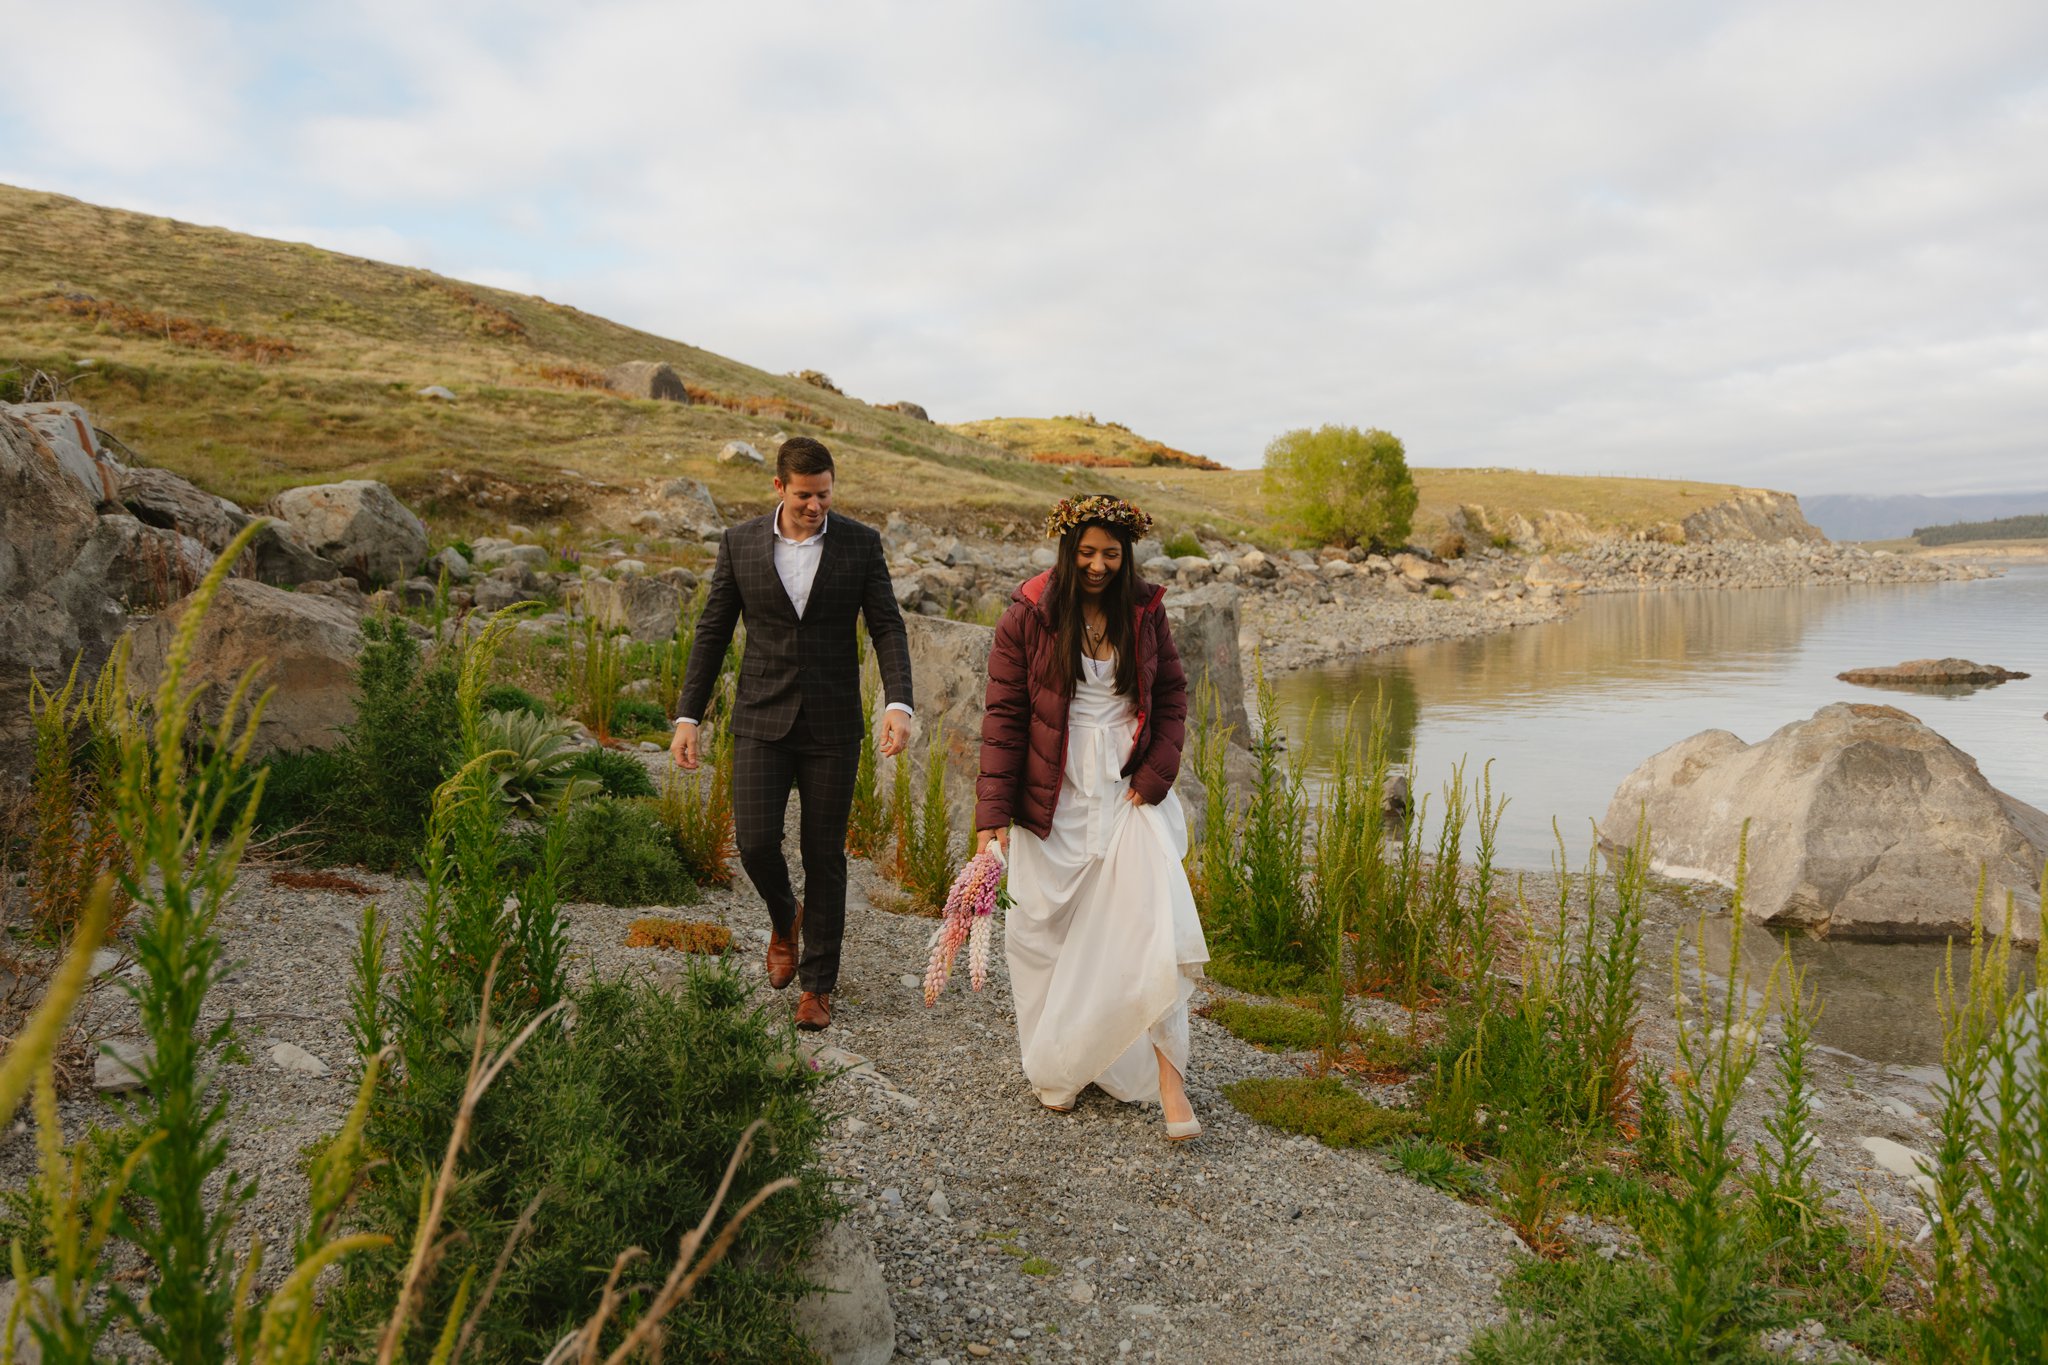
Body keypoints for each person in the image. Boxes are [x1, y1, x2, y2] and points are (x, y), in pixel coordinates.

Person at [974, 494, 1209, 1140]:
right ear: (1066, 552)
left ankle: (1170, 1084)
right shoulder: (1026, 617)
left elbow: (1172, 698)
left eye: (1110, 553)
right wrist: (992, 812)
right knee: (1043, 933)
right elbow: (1003, 718)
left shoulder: (1145, 611)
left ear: (1126, 552)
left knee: (1150, 920)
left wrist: (1156, 774)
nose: (1099, 565)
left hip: (1128, 789)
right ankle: (1062, 1062)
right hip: (1052, 788)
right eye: (1086, 554)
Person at [672, 436, 914, 1031]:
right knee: (754, 843)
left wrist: (898, 703)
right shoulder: (739, 544)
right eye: (805, 495)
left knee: (824, 854)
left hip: (834, 726)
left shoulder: (861, 543)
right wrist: (688, 717)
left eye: (825, 495)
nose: (816, 506)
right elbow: (711, 632)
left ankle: (818, 986)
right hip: (760, 715)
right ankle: (786, 918)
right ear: (779, 487)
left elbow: (887, 626)